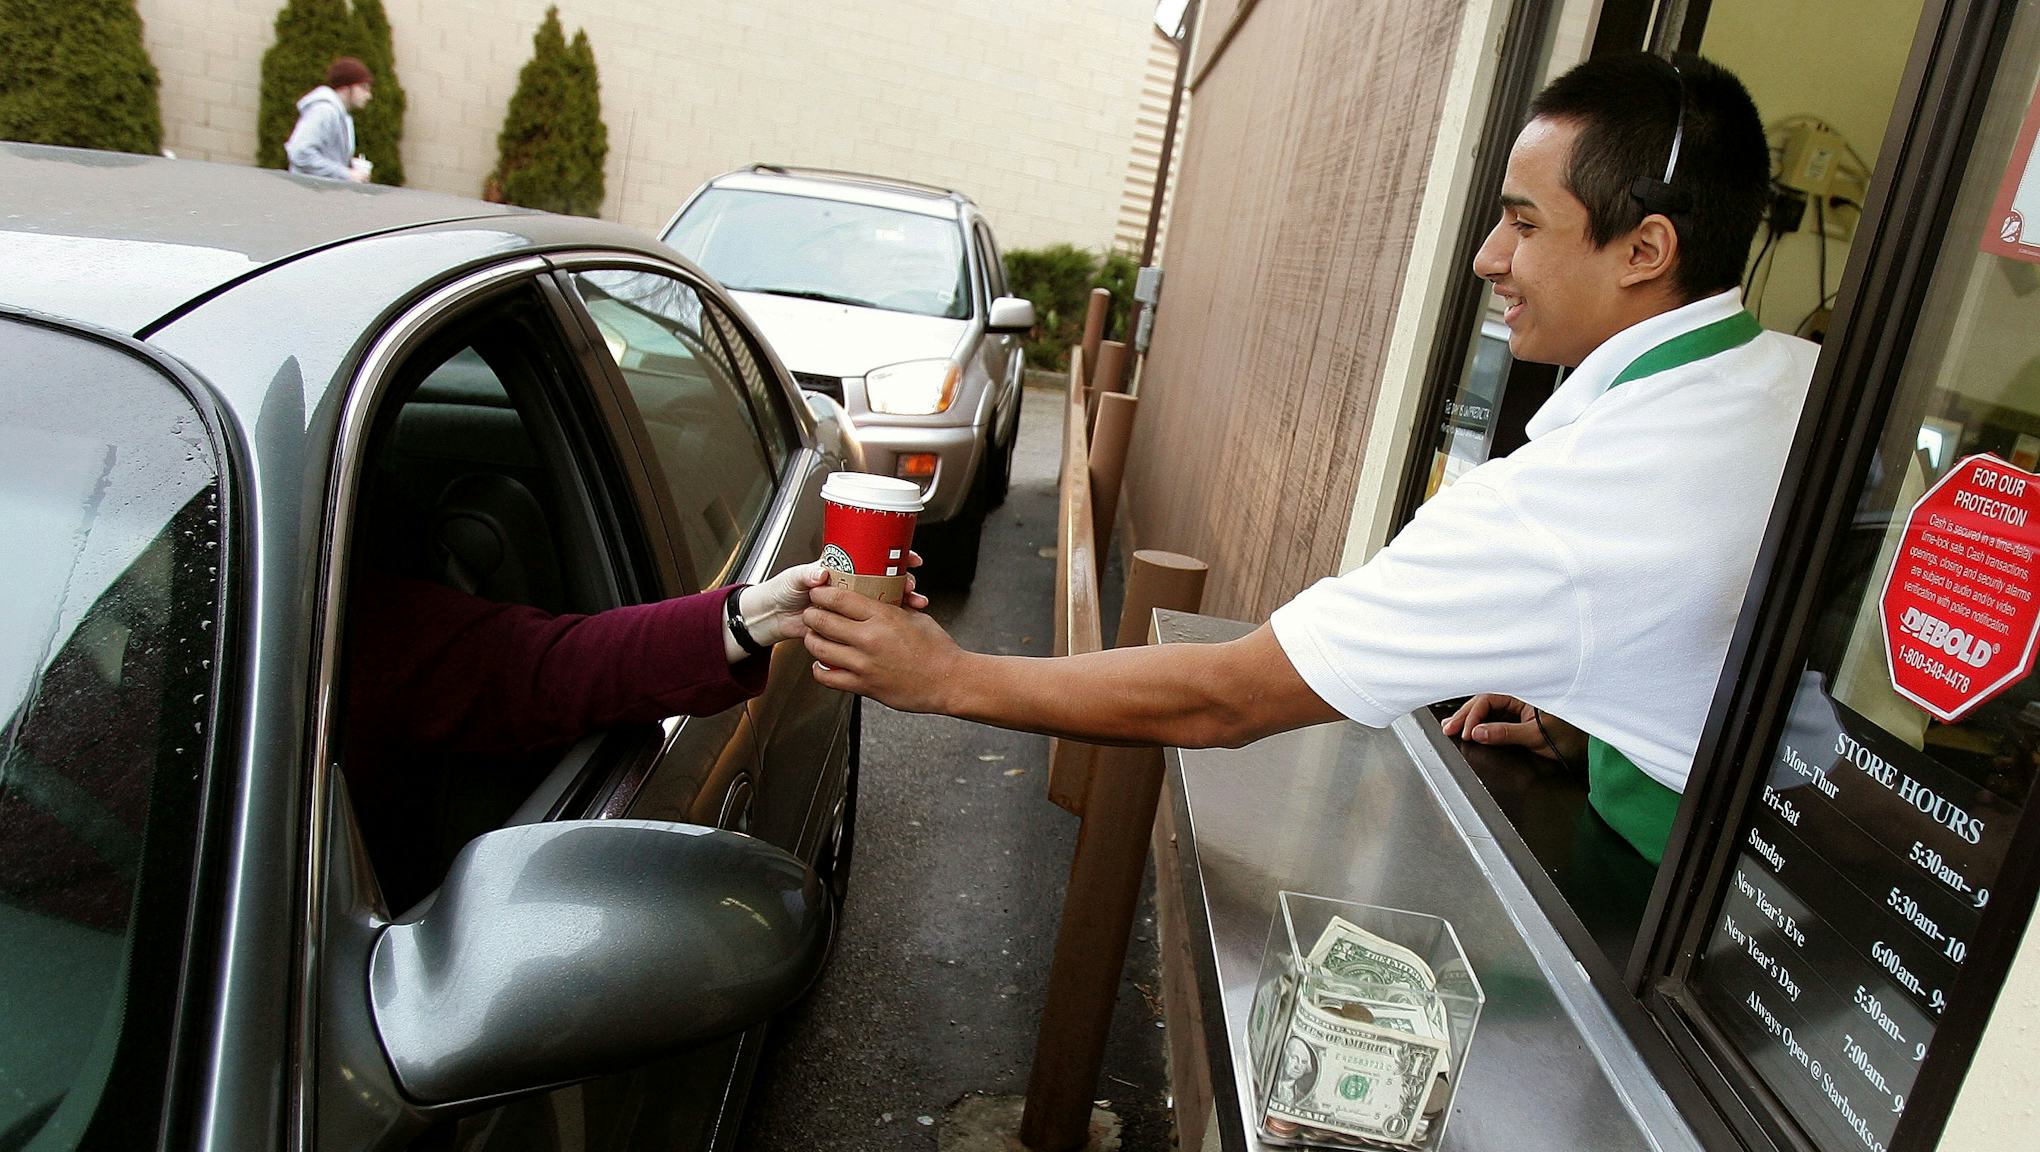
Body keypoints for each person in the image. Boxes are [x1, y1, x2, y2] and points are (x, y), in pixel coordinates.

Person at [799, 52, 1817, 866]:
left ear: (1645, 252)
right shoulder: (1808, 387)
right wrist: (1597, 719)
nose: (1487, 259)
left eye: (1522, 221)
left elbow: (1228, 695)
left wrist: (949, 678)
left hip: (1701, 925)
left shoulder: (1564, 500)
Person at [286, 56, 374, 182]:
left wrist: (351, 173)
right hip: (308, 193)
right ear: (345, 87)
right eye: (363, 87)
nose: (368, 95)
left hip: (322, 193)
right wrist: (346, 174)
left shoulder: (342, 115)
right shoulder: (324, 110)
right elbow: (300, 153)